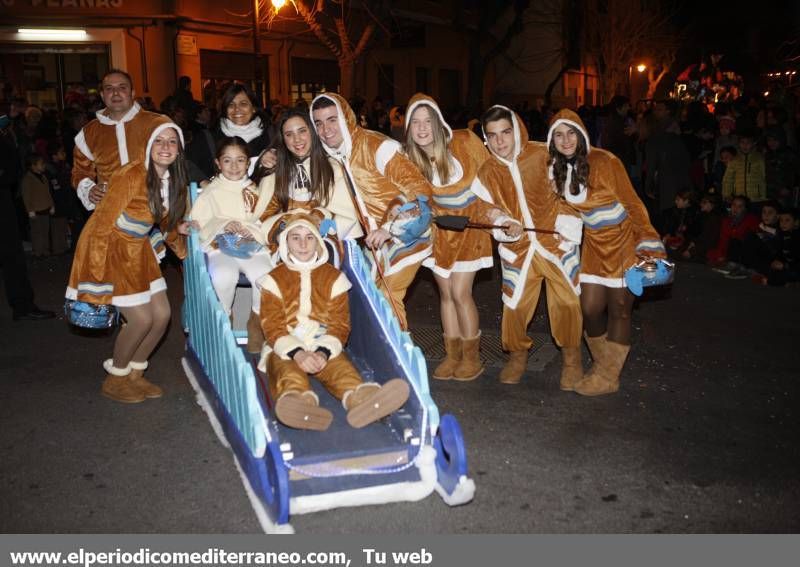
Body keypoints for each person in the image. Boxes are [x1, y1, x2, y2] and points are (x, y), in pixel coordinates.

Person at [65, 123, 190, 404]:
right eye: (159, 141)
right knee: (141, 319)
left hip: (140, 250)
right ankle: (116, 377)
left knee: (161, 317)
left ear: (179, 149)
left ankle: (135, 374)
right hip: (112, 249)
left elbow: (167, 224)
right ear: (148, 146)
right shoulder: (132, 173)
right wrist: (96, 273)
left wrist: (184, 253)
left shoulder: (172, 181)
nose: (166, 147)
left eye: (172, 142)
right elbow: (101, 222)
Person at [547, 109, 666, 397]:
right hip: (594, 245)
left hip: (624, 241)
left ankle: (608, 375)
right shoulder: (556, 170)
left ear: (581, 134)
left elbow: (633, 204)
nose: (566, 140)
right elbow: (564, 208)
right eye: (559, 135)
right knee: (588, 308)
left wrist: (648, 239)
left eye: (571, 133)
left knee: (620, 308)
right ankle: (603, 363)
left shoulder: (605, 161)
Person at [257, 213, 409, 430]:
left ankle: (362, 399)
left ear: (318, 242)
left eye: (310, 237)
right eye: (295, 237)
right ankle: (300, 405)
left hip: (322, 342)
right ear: (286, 243)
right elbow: (272, 326)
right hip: (287, 345)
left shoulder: (334, 278)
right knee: (287, 372)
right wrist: (298, 353)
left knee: (341, 370)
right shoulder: (274, 280)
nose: (303, 244)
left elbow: (339, 324)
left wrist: (322, 352)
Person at [475, 105, 584, 388]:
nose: (501, 142)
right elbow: (483, 208)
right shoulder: (486, 172)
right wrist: (501, 220)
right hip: (519, 249)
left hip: (556, 242)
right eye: (493, 135)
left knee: (569, 302)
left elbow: (571, 192)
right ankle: (517, 355)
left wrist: (567, 224)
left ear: (517, 129)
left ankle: (572, 359)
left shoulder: (542, 154)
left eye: (506, 133)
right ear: (486, 139)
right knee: (514, 307)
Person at [403, 94, 508, 381]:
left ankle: (472, 357)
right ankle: (453, 355)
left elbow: (493, 175)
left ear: (438, 123)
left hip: (470, 231)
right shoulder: (411, 161)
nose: (422, 128)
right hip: (440, 235)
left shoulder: (463, 143)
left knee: (461, 293)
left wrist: (499, 215)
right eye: (416, 122)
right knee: (446, 294)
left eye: (428, 121)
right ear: (409, 128)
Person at [309, 93, 434, 330]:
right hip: (375, 241)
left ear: (346, 118)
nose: (326, 129)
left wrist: (391, 226)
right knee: (368, 298)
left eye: (332, 120)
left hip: (409, 231)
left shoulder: (377, 146)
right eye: (319, 123)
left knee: (386, 297)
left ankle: (400, 362)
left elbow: (420, 188)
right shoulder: (332, 157)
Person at [189, 136, 272, 353]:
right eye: (227, 160)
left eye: (240, 160)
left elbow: (267, 220)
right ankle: (223, 321)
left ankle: (256, 321)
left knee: (264, 276)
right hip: (221, 246)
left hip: (251, 245)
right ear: (218, 163)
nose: (234, 166)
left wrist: (250, 229)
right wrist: (224, 224)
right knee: (224, 275)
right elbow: (199, 223)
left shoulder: (256, 190)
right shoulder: (211, 191)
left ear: (248, 163)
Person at [253, 109, 362, 241]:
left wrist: (321, 222)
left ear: (312, 131)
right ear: (283, 139)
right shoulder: (274, 169)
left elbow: (345, 215)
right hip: (286, 238)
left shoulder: (333, 167)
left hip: (326, 238)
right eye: (289, 134)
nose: (297, 139)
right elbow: (264, 212)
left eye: (302, 131)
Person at [72, 69, 171, 212]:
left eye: (122, 87)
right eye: (109, 89)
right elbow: (80, 171)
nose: (116, 93)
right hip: (111, 213)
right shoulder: (89, 133)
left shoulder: (157, 124)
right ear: (102, 95)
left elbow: (176, 163)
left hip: (155, 209)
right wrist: (90, 190)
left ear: (132, 93)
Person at [0, 114, 54, 321]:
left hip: (4, 199)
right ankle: (22, 304)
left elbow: (12, 166)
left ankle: (22, 305)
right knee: (11, 255)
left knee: (13, 255)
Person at [212, 83, 274, 179]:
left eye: (243, 104)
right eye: (231, 105)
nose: (237, 109)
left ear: (253, 108)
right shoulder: (212, 137)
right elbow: (188, 164)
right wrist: (203, 181)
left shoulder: (271, 135)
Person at [708, 195, 760, 271]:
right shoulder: (726, 221)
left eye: (740, 206)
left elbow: (752, 241)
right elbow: (723, 240)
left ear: (745, 209)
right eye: (734, 205)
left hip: (744, 253)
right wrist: (721, 255)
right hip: (729, 251)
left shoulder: (751, 220)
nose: (735, 208)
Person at [20, 154, 54, 258]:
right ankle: (38, 252)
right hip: (35, 210)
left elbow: (48, 192)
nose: (44, 166)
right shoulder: (28, 179)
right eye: (41, 164)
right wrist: (30, 210)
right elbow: (26, 195)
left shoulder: (43, 177)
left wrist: (51, 205)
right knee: (36, 233)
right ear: (33, 166)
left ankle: (45, 251)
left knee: (45, 231)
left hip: (45, 208)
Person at [722, 129, 766, 205]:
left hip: (756, 199)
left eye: (748, 142)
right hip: (739, 199)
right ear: (739, 143)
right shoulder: (734, 160)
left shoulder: (759, 158)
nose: (745, 145)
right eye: (742, 142)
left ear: (753, 143)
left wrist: (764, 197)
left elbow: (764, 177)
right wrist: (727, 195)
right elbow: (728, 179)